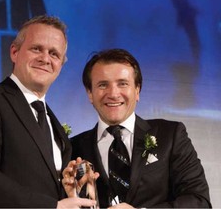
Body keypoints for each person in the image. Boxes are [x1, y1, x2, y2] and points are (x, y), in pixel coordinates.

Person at [0, 15, 96, 208]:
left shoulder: (53, 124)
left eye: (54, 54)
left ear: (61, 65)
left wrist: (68, 190)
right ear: (14, 52)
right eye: (36, 48)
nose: (45, 58)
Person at [63, 48, 211, 208]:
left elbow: (199, 202)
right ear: (90, 93)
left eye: (123, 84)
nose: (113, 93)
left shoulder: (171, 135)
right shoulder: (73, 148)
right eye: (103, 85)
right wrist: (72, 198)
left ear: (137, 90)